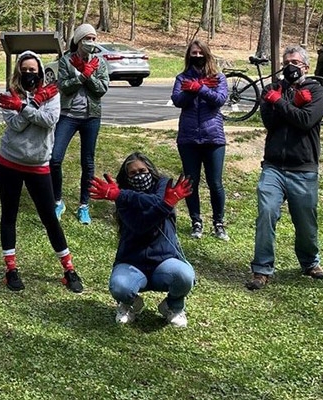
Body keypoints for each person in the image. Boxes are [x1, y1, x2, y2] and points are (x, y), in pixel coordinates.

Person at [0, 51, 84, 293]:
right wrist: (31, 105)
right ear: (18, 71)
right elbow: (15, 124)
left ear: (41, 72)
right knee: (9, 215)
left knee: (49, 217)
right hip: (9, 162)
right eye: (25, 69)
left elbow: (49, 120)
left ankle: (69, 269)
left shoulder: (51, 94)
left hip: (38, 164)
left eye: (34, 70)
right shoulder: (7, 95)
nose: (29, 74)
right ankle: (10, 269)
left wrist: (24, 106)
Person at [246, 45, 323, 290]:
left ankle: (310, 261)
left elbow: (305, 121)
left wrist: (281, 103)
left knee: (305, 221)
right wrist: (273, 100)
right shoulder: (273, 89)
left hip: (303, 167)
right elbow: (270, 123)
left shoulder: (317, 90)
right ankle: (261, 269)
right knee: (267, 213)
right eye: (286, 61)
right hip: (273, 167)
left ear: (306, 66)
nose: (290, 66)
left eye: (295, 61)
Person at [90, 152, 195, 327]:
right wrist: (166, 205)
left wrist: (121, 195)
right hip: (132, 261)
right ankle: (129, 304)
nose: (139, 175)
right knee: (119, 287)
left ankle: (173, 306)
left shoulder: (163, 185)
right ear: (127, 177)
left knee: (184, 276)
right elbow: (139, 225)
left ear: (150, 170)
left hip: (165, 261)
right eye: (133, 173)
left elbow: (155, 200)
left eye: (142, 170)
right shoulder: (122, 197)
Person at [50, 23, 110, 225]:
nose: (91, 42)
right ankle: (58, 201)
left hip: (91, 117)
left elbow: (102, 89)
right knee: (55, 158)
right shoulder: (67, 60)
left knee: (88, 162)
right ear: (78, 40)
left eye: (93, 38)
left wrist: (89, 75)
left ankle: (84, 205)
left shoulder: (100, 62)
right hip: (68, 115)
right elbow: (63, 87)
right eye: (87, 38)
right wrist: (81, 76)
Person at [171, 39, 230, 241]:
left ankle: (219, 222)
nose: (197, 56)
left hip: (213, 137)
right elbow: (177, 100)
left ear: (207, 54)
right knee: (191, 182)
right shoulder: (182, 77)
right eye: (193, 53)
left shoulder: (218, 77)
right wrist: (190, 89)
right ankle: (196, 221)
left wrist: (201, 88)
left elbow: (219, 100)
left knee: (215, 183)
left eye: (200, 53)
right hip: (188, 138)